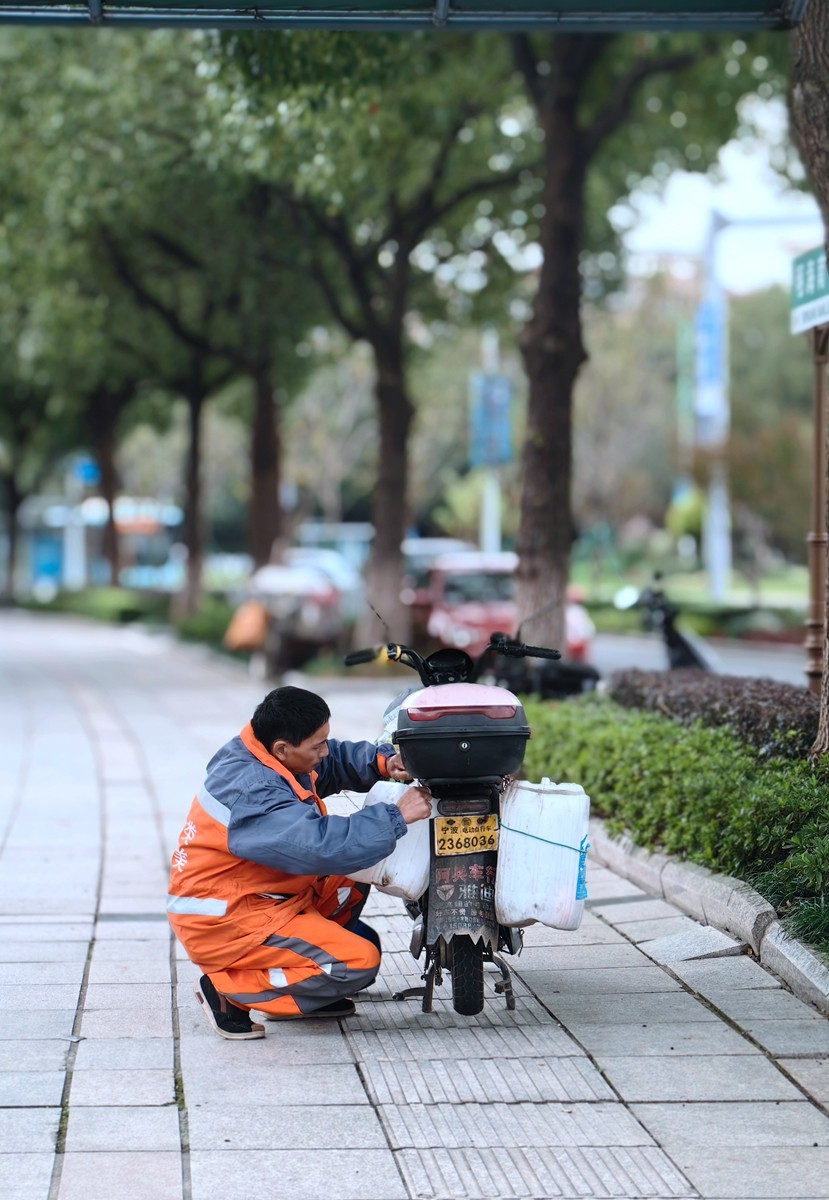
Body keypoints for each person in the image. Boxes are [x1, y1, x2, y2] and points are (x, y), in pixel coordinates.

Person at [167, 685, 431, 1040]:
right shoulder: (253, 789)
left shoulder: (268, 752)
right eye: (317, 745)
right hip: (227, 918)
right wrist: (396, 816)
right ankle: (228, 989)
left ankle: (309, 989)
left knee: (353, 876)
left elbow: (331, 761)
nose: (324, 750)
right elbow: (320, 845)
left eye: (325, 739)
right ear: (283, 749)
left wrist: (381, 762)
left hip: (263, 893)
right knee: (358, 963)